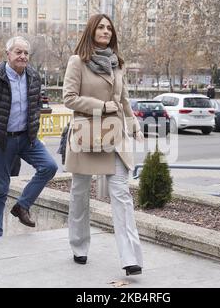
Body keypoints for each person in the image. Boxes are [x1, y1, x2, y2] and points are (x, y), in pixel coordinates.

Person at [63, 14, 144, 276]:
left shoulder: (117, 64)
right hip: (86, 135)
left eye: (109, 28)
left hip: (115, 136)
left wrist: (133, 124)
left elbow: (124, 100)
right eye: (101, 27)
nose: (106, 31)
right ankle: (79, 246)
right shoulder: (77, 61)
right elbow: (69, 98)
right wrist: (101, 107)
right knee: (80, 193)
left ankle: (131, 257)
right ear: (91, 30)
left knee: (121, 194)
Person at [0, 36, 58, 238]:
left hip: (27, 139)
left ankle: (22, 206)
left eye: (26, 53)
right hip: (2, 140)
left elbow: (36, 104)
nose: (22, 56)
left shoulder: (33, 76)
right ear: (8, 54)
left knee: (49, 167)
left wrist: (33, 128)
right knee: (0, 188)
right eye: (18, 52)